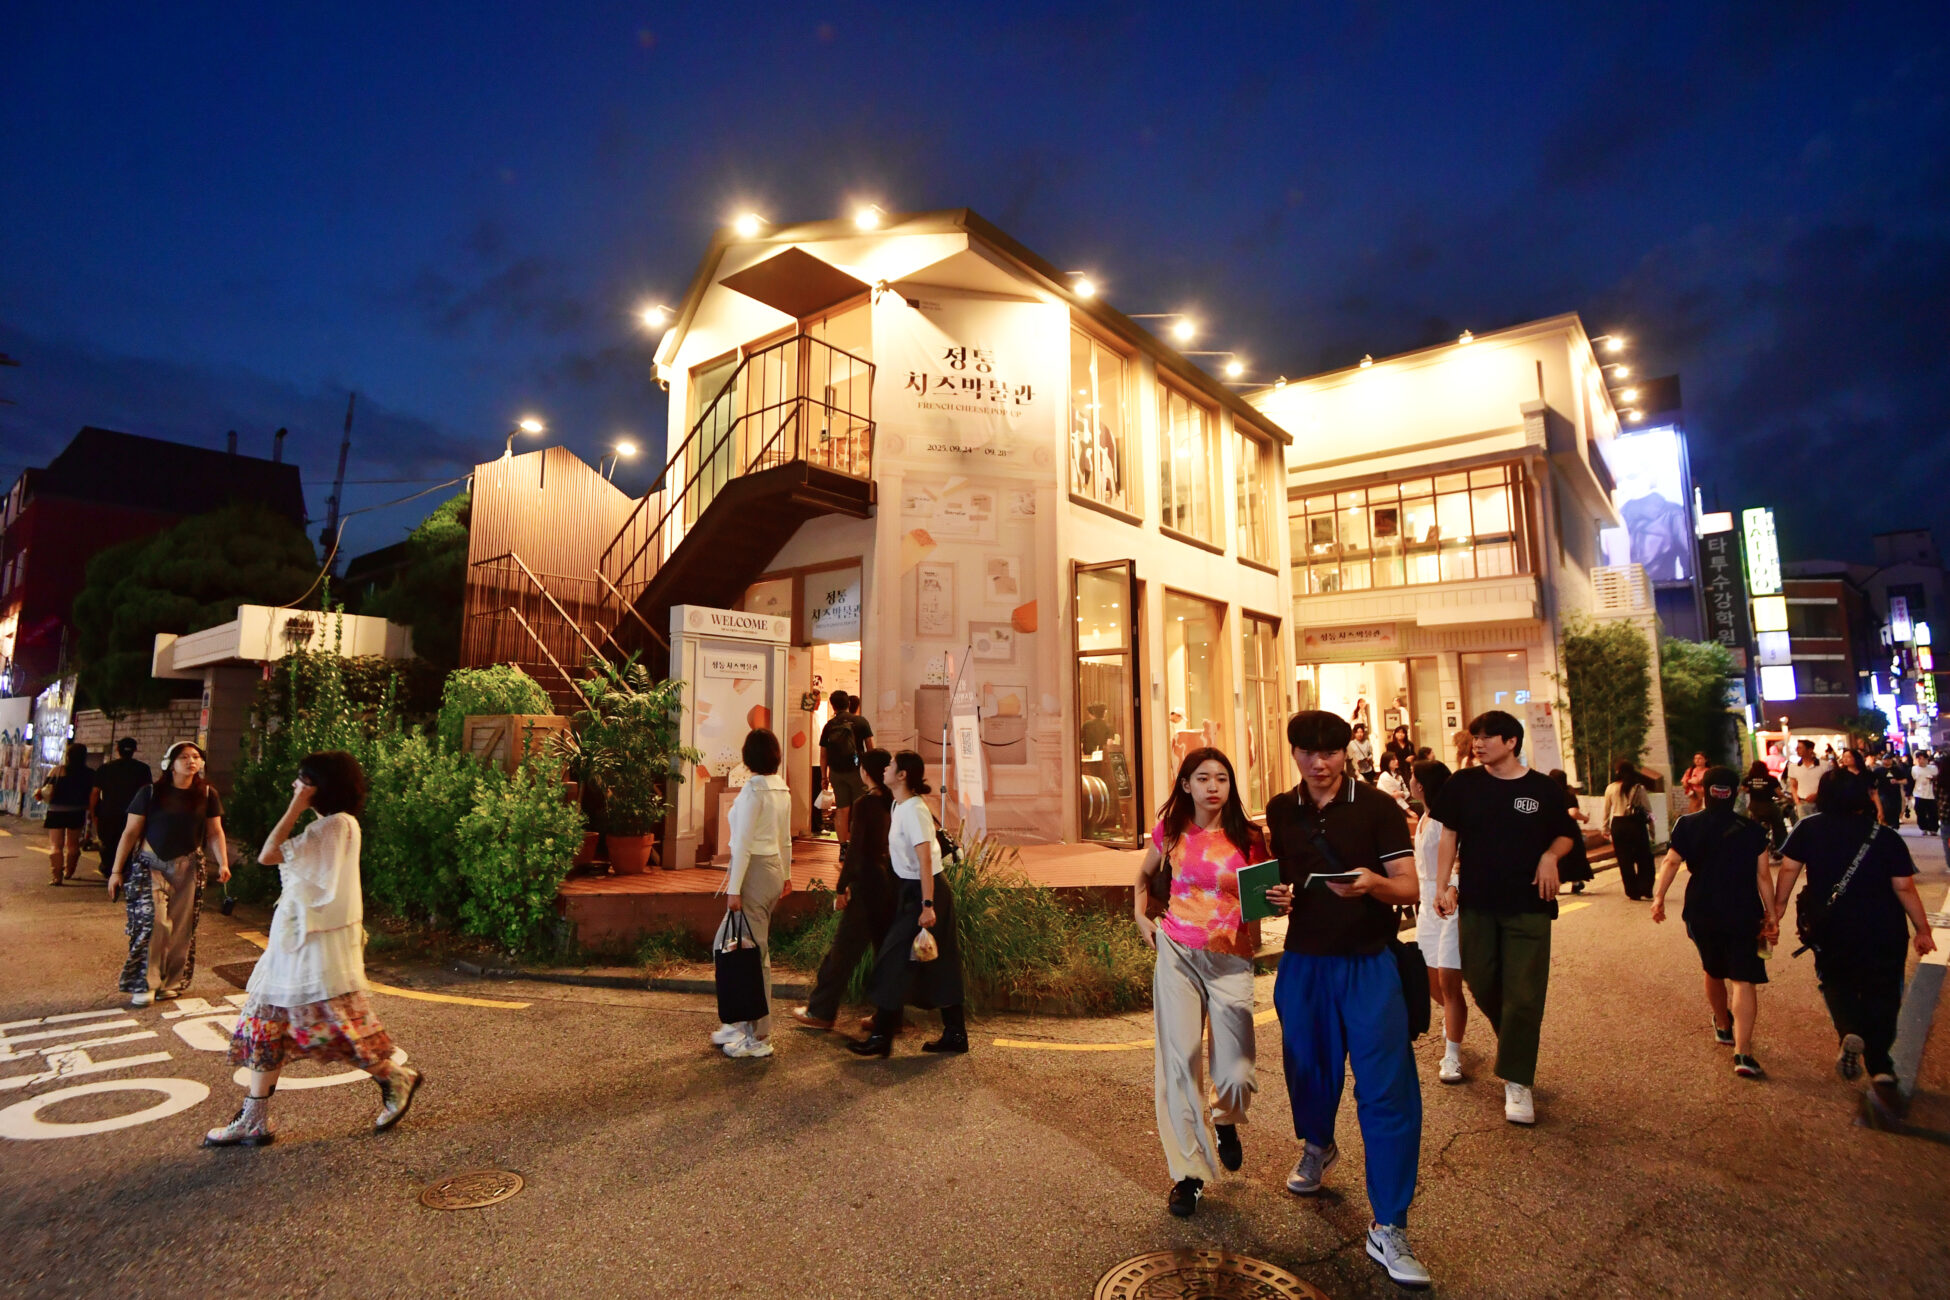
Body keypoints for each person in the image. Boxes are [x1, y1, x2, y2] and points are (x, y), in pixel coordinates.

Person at [1265, 711, 1430, 1289]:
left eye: (1330, 752)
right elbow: (1279, 883)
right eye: (1308, 752)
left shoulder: (1379, 807)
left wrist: (1370, 884)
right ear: (1294, 755)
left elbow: (1409, 887)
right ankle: (1318, 1144)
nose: (1319, 763)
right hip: (1305, 963)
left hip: (1369, 963)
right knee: (1306, 1072)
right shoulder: (1282, 809)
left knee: (1387, 1090)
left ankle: (1390, 1224)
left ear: (1346, 752)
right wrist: (1279, 898)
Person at [204, 751, 423, 1147]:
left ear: (317, 786)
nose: (294, 786)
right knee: (267, 1025)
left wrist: (295, 805)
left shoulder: (336, 826)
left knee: (333, 1027)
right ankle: (254, 1117)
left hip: (310, 951)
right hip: (295, 948)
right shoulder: (333, 826)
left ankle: (394, 1076)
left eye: (301, 780)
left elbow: (269, 854)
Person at [1131, 747, 1268, 1218]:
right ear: (1186, 784)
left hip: (1231, 959)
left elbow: (1261, 901)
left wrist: (1278, 903)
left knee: (1236, 1072)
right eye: (1203, 778)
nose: (1213, 786)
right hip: (1176, 951)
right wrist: (1139, 914)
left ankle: (1226, 1117)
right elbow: (1144, 876)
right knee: (1179, 1061)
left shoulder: (1250, 838)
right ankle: (1188, 1174)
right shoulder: (1170, 831)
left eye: (1222, 778)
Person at [1432, 710, 1578, 1126]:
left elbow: (1567, 833)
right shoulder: (1462, 785)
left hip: (1530, 905)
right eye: (1475, 737)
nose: (1477, 744)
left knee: (1525, 994)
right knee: (1480, 982)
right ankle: (1517, 1044)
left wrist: (1551, 855)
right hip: (1477, 903)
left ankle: (1517, 1081)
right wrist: (1442, 886)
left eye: (1487, 737)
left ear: (1511, 742)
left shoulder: (1542, 788)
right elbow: (1448, 836)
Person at [1775, 768, 1936, 1101]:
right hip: (1884, 928)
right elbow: (1904, 886)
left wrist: (1776, 909)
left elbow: (1789, 868)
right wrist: (1922, 929)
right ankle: (1880, 1066)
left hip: (1832, 926)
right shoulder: (1885, 836)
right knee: (1884, 991)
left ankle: (1849, 1030)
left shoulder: (1809, 828)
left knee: (1836, 981)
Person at [1652, 767, 1779, 1079]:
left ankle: (1723, 1025)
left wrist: (1658, 899)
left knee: (1713, 969)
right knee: (1743, 979)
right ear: (1735, 792)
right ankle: (1743, 1052)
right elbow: (1763, 876)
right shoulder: (1752, 830)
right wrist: (1772, 914)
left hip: (1702, 909)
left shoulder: (1688, 824)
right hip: (1744, 910)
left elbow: (1671, 862)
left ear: (1705, 790)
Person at [850, 751, 968, 1057]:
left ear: (902, 775)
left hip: (925, 893)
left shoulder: (914, 809)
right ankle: (953, 1034)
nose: (885, 769)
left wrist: (928, 905)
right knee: (934, 962)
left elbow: (925, 859)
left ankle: (882, 1037)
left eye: (890, 766)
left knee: (893, 959)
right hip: (913, 892)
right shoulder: (898, 805)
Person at [107, 740, 229, 1006]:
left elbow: (215, 832)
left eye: (195, 757)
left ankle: (171, 982)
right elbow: (130, 832)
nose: (191, 761)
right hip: (150, 865)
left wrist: (223, 863)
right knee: (154, 924)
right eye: (184, 757)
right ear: (169, 764)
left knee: (182, 929)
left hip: (189, 867)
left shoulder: (207, 794)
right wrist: (116, 870)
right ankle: (146, 983)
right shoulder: (150, 792)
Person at [794, 748, 898, 1031]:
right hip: (892, 883)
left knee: (842, 952)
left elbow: (856, 851)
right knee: (885, 952)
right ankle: (890, 1016)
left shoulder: (866, 804)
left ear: (866, 772)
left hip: (867, 884)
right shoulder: (895, 802)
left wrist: (842, 887)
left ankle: (821, 1011)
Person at [710, 728, 794, 1059]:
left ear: (748, 757)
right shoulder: (781, 789)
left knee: (752, 955)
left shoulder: (752, 793)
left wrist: (734, 890)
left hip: (753, 875)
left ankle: (758, 1035)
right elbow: (785, 838)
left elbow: (742, 845)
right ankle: (740, 1020)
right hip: (771, 870)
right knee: (728, 946)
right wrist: (786, 875)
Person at [1412, 760, 1467, 1085]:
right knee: (1428, 976)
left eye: (1413, 778)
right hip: (1424, 903)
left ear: (1422, 785)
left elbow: (1459, 858)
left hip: (1448, 901)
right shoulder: (1422, 817)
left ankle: (1453, 1055)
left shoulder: (1448, 819)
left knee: (1448, 979)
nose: (1409, 781)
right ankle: (1453, 1017)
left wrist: (1453, 889)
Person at [90, 737, 152, 880]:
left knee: (108, 842)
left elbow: (94, 793)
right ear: (135, 750)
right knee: (130, 842)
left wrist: (93, 813)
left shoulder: (105, 768)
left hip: (108, 812)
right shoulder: (143, 769)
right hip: (134, 813)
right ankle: (124, 869)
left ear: (117, 749)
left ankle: (110, 869)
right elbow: (146, 792)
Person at [818, 691, 873, 844]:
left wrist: (824, 776)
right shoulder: (861, 722)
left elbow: (823, 755)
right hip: (858, 772)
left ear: (832, 705)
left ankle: (842, 847)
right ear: (848, 703)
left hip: (836, 772)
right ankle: (857, 845)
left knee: (842, 810)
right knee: (858, 810)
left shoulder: (829, 726)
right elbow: (871, 749)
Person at [38, 741, 94, 885]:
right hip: (77, 812)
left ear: (68, 756)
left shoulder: (57, 770)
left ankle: (57, 876)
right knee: (73, 844)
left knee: (56, 845)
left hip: (56, 811)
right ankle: (69, 871)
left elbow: (45, 790)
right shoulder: (89, 774)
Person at [1602, 761, 1657, 901]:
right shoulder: (1639, 788)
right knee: (1644, 858)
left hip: (1618, 825)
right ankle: (1645, 887)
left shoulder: (1610, 788)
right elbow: (1649, 811)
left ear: (1618, 772)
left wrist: (1605, 828)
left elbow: (1606, 811)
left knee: (1624, 860)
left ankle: (1632, 891)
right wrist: (1652, 828)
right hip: (1636, 825)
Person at [1547, 771, 1593, 894]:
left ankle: (1559, 883)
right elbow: (1573, 813)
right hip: (1568, 830)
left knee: (1557, 857)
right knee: (1574, 856)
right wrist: (1585, 818)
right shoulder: (1567, 795)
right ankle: (1576, 882)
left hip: (1552, 830)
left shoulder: (1547, 795)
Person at [1740, 760, 1789, 859]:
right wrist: (1785, 798)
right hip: (1768, 806)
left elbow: (1743, 790)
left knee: (1753, 827)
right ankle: (1781, 847)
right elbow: (1779, 793)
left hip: (1754, 807)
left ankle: (1754, 846)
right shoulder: (1771, 779)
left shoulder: (1747, 779)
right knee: (1779, 825)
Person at [1785, 740, 1828, 820]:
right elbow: (1793, 786)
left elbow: (1829, 784)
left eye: (1800, 748)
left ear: (1810, 749)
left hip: (1821, 802)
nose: (1797, 750)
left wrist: (1817, 794)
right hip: (1803, 802)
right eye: (1797, 748)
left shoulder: (1824, 765)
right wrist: (1797, 802)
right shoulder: (1794, 767)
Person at [1913, 750, 1939, 837]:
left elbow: (1937, 778)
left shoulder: (1933, 768)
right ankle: (1924, 828)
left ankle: (1933, 828)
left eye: (1924, 759)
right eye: (1919, 759)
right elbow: (1912, 781)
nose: (1921, 761)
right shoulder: (1914, 769)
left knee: (1933, 813)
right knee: (1920, 812)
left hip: (1931, 794)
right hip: (1918, 793)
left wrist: (1932, 779)